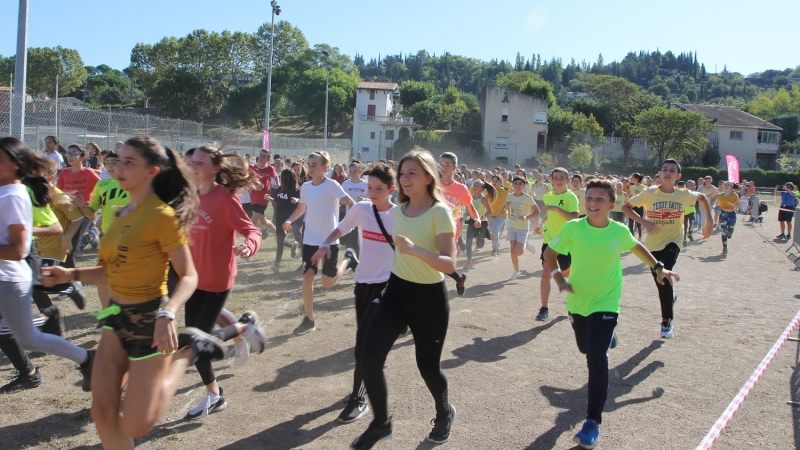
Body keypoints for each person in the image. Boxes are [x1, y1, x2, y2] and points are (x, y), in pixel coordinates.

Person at [42, 136, 227, 449]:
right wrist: (71, 273)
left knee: (136, 423)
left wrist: (168, 313)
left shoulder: (162, 217)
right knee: (102, 413)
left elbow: (189, 275)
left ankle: (189, 351)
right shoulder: (118, 214)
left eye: (130, 162)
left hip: (149, 324)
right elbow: (110, 272)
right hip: (116, 319)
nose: (117, 167)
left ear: (151, 172)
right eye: (117, 160)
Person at [544, 179, 679, 450]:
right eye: (589, 198)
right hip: (578, 301)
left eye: (599, 199)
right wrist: (559, 278)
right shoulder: (573, 228)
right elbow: (550, 254)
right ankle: (608, 337)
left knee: (596, 357)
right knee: (585, 347)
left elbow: (636, 246)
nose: (592, 203)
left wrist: (658, 267)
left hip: (607, 301)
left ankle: (592, 422)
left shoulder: (617, 231)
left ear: (611, 205)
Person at [351, 150, 457, 449]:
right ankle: (381, 423)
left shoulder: (439, 212)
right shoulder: (399, 210)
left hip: (429, 299)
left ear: (428, 177)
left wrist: (416, 251)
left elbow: (449, 264)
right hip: (396, 293)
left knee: (428, 367)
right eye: (402, 173)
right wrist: (389, 282)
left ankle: (444, 411)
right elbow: (398, 253)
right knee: (368, 356)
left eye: (412, 173)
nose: (405, 178)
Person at [0, 137, 94, 391]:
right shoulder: (6, 191)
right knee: (20, 334)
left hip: (9, 276)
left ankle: (86, 358)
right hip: (8, 275)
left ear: (17, 166)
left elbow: (19, 249)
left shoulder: (14, 195)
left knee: (29, 337)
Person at [184, 146, 268, 420]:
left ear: (215, 169)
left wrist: (249, 245)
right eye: (191, 161)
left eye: (200, 162)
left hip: (217, 280)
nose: (193, 165)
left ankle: (244, 326)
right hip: (193, 278)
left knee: (196, 343)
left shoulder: (225, 198)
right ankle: (215, 393)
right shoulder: (190, 195)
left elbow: (251, 230)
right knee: (193, 342)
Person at [310, 163, 397, 424]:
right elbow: (342, 228)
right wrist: (326, 243)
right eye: (369, 187)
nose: (371, 193)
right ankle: (367, 380)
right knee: (364, 339)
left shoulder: (401, 216)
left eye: (378, 189)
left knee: (365, 347)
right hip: (363, 283)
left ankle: (358, 399)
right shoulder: (361, 209)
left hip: (386, 286)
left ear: (391, 190)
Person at [623, 159, 712, 339]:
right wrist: (644, 222)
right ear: (659, 174)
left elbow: (702, 198)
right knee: (660, 280)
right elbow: (626, 207)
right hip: (652, 245)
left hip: (674, 241)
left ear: (678, 176)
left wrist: (709, 220)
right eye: (665, 169)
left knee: (663, 274)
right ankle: (670, 298)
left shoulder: (683, 195)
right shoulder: (648, 193)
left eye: (672, 170)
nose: (668, 172)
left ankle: (666, 322)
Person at [283, 151, 355, 335]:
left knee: (328, 283)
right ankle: (309, 319)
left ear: (325, 168)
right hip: (310, 240)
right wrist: (290, 221)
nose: (311, 168)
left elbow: (351, 203)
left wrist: (351, 223)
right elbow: (301, 208)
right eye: (310, 164)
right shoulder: (306, 187)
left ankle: (348, 259)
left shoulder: (332, 185)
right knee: (307, 277)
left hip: (329, 241)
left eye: (315, 165)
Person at [72, 150, 130, 309]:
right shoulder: (102, 184)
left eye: (114, 162)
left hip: (129, 236)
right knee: (101, 276)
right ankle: (107, 314)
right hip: (107, 236)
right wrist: (81, 205)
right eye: (106, 163)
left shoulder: (132, 182)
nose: (110, 167)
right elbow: (91, 212)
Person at [537, 168, 579, 321]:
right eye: (555, 178)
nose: (559, 180)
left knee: (567, 273)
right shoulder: (548, 197)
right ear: (551, 180)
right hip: (550, 241)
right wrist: (541, 225)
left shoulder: (571, 197)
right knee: (546, 273)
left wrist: (556, 208)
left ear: (568, 180)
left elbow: (574, 218)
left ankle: (574, 305)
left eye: (562, 177)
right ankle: (544, 308)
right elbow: (549, 216)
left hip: (566, 242)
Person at [439, 152, 479, 296]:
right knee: (436, 263)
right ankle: (459, 278)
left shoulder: (461, 189)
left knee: (441, 263)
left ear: (454, 167)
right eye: (441, 164)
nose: (443, 167)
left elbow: (470, 206)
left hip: (450, 231)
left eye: (447, 165)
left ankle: (440, 293)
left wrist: (477, 218)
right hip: (433, 228)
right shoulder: (433, 185)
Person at [56, 144, 100, 259]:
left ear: (83, 158)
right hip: (68, 212)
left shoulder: (89, 173)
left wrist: (92, 203)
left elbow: (101, 188)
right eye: (68, 153)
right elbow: (59, 192)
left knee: (72, 245)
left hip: (83, 212)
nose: (70, 156)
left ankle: (68, 273)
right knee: (65, 243)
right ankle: (90, 236)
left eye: (74, 153)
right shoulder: (64, 173)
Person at [502, 177, 538, 280]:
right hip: (512, 226)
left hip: (523, 228)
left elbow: (537, 211)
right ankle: (516, 271)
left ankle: (526, 243)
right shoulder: (510, 196)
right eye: (515, 184)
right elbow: (503, 211)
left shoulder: (527, 197)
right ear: (513, 185)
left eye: (520, 184)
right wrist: (506, 207)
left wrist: (526, 217)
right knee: (512, 251)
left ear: (524, 186)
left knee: (519, 252)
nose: (517, 186)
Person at [271, 168, 302, 272]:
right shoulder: (280, 189)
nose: (281, 178)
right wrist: (270, 199)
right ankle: (293, 245)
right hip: (278, 217)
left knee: (280, 241)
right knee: (279, 239)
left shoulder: (296, 190)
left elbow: (303, 204)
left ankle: (277, 263)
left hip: (289, 219)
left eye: (283, 176)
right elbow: (276, 202)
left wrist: (297, 200)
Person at [464, 180, 495, 270]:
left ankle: (487, 234)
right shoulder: (470, 198)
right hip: (472, 222)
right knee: (468, 242)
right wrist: (468, 213)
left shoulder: (483, 199)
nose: (475, 187)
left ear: (482, 189)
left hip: (482, 223)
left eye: (478, 186)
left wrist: (481, 218)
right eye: (474, 185)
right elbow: (468, 210)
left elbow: (490, 211)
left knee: (480, 244)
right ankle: (469, 261)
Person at [341, 160, 369, 256]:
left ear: (360, 172)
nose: (352, 173)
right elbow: (340, 198)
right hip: (350, 213)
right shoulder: (346, 184)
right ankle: (352, 257)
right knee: (350, 237)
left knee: (358, 237)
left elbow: (372, 199)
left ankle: (357, 258)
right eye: (350, 171)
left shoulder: (365, 184)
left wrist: (365, 199)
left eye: (355, 171)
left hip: (363, 214)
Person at [250, 149, 278, 238]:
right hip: (254, 198)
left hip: (264, 199)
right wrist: (255, 187)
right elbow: (246, 182)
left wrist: (278, 184)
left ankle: (248, 242)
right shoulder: (252, 167)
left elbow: (275, 175)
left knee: (252, 222)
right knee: (263, 221)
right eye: (261, 155)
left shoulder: (270, 168)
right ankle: (279, 233)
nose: (261, 158)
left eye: (264, 156)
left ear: (268, 160)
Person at [487, 174, 511, 256]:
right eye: (493, 181)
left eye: (496, 181)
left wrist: (505, 208)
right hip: (490, 214)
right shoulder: (489, 191)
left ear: (501, 182)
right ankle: (497, 244)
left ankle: (495, 249)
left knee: (495, 230)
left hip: (501, 215)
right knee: (493, 232)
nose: (494, 183)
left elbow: (509, 201)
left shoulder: (505, 191)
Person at [717, 181, 739, 255]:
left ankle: (730, 232)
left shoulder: (734, 195)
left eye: (728, 185)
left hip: (732, 214)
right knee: (723, 231)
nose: (726, 186)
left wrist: (732, 204)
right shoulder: (719, 195)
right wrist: (715, 205)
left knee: (730, 229)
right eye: (725, 185)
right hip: (723, 214)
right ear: (723, 186)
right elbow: (718, 202)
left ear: (731, 187)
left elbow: (738, 206)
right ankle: (725, 246)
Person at [627, 174, 645, 239]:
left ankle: (640, 237)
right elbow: (631, 195)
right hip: (632, 206)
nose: (631, 179)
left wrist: (639, 194)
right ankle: (631, 237)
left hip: (640, 206)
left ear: (637, 179)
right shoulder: (632, 187)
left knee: (639, 222)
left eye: (632, 177)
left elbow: (645, 197)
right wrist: (628, 197)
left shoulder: (643, 187)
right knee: (630, 222)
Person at [683, 180, 697, 245]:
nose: (690, 186)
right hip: (684, 211)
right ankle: (684, 239)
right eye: (689, 185)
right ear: (686, 186)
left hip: (692, 210)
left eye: (692, 185)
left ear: (694, 186)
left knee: (692, 223)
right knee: (685, 225)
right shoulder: (684, 192)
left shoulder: (695, 193)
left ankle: (689, 234)